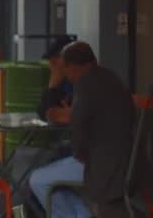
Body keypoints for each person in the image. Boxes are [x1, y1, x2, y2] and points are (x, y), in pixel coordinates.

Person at [29, 42, 136, 217]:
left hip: (103, 166)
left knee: (38, 180)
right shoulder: (110, 77)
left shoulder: (86, 83)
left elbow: (61, 121)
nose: (66, 76)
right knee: (57, 173)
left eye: (64, 69)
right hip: (122, 159)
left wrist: (53, 86)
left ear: (71, 67)